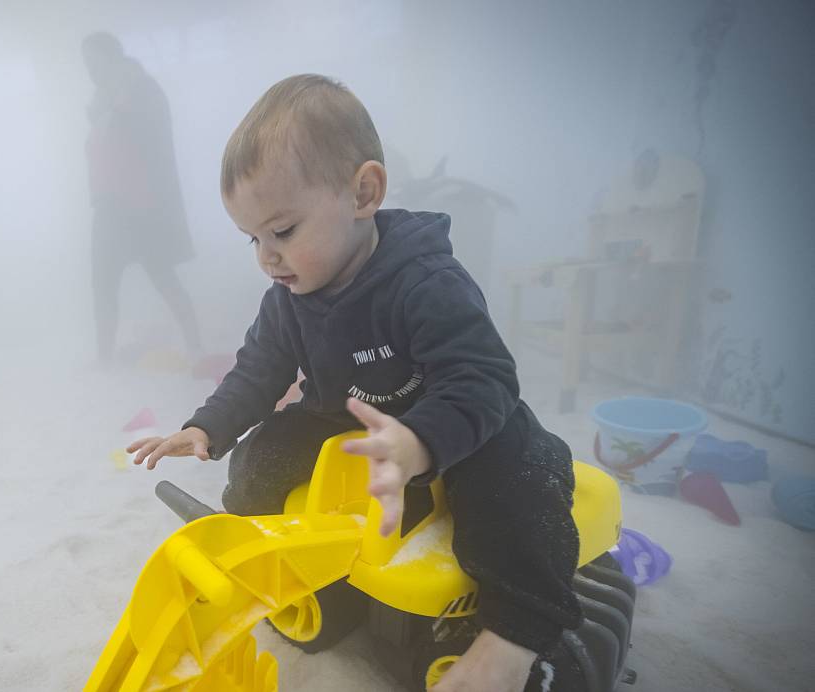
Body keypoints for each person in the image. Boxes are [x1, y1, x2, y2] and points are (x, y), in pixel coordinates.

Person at [126, 75, 582, 692]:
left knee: (520, 467)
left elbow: (483, 378)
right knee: (264, 451)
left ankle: (514, 637)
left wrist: (420, 443)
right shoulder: (286, 301)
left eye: (283, 230)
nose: (267, 256)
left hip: (453, 418)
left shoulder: (424, 280)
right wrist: (208, 425)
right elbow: (258, 373)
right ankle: (271, 557)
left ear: (363, 192)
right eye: (253, 238)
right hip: (347, 419)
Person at [81, 32, 202, 364]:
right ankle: (104, 358)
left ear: (113, 58)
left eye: (94, 60)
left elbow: (151, 146)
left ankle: (195, 345)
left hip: (140, 206)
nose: (90, 69)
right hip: (108, 205)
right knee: (103, 285)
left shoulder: (140, 91)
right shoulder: (101, 103)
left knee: (162, 275)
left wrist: (117, 110)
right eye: (85, 63)